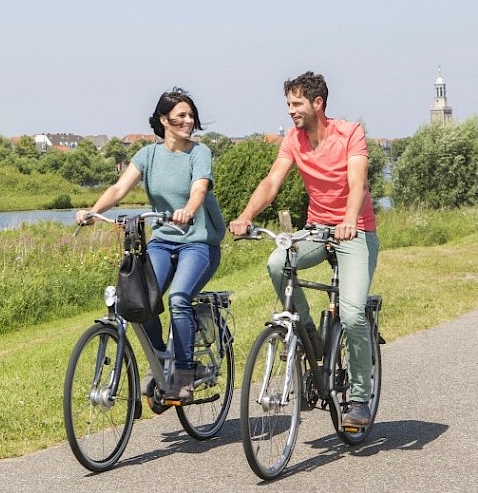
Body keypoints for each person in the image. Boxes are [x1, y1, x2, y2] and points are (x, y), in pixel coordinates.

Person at [227, 71, 379, 428]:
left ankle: (359, 398)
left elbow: (357, 181)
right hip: (316, 230)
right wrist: (247, 215)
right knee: (278, 262)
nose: (291, 111)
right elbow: (273, 181)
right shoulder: (294, 140)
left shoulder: (349, 133)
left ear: (317, 103)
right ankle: (308, 336)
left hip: (355, 231)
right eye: (288, 104)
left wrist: (349, 219)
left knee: (354, 313)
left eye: (296, 104)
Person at [76, 87, 225, 403]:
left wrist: (189, 210)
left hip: (197, 243)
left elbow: (199, 189)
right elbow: (118, 189)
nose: (188, 121)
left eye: (190, 115)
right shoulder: (148, 155)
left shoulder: (199, 154)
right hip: (163, 242)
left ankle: (184, 373)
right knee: (138, 299)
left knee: (179, 299)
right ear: (163, 120)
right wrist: (93, 211)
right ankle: (159, 363)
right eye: (181, 115)